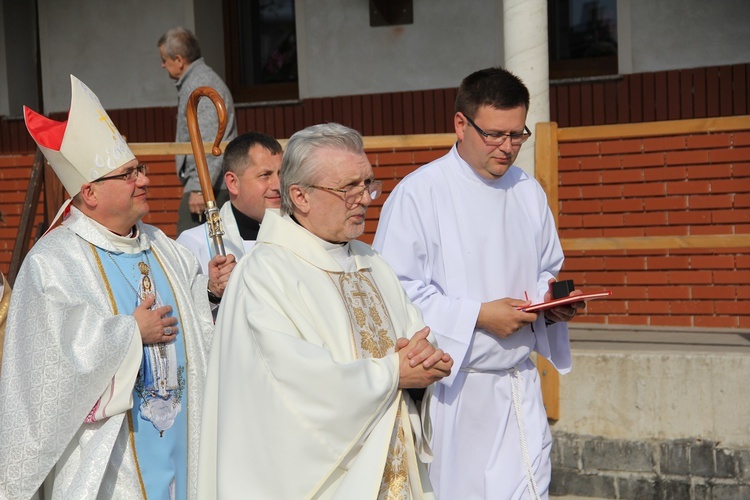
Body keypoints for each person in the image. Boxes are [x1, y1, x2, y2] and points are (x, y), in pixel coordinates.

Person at [0, 75, 235, 499]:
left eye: (140, 169)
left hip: (182, 441)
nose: (144, 180)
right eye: (128, 174)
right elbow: (49, 372)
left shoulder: (164, 247)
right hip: (110, 459)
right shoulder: (53, 264)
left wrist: (212, 294)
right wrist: (130, 334)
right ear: (89, 192)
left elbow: (195, 328)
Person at [197, 123, 454, 499]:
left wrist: (427, 365)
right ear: (299, 195)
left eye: (367, 184)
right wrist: (394, 372)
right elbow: (295, 386)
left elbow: (415, 339)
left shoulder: (371, 263)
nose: (365, 198)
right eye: (348, 188)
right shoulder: (265, 273)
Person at [373, 67, 584, 499]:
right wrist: (480, 317)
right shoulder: (420, 193)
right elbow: (395, 293)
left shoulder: (528, 190)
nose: (507, 148)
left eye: (517, 134)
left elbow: (547, 267)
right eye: (494, 134)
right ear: (460, 124)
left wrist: (552, 302)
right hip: (456, 392)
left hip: (519, 383)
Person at [158, 26, 238, 236]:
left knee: (188, 249)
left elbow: (211, 140)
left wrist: (199, 188)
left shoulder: (200, 84)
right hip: (212, 184)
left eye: (164, 59)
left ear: (179, 59)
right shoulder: (198, 80)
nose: (162, 65)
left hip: (211, 186)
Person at [176, 132, 283, 273]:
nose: (278, 185)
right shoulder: (194, 244)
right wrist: (212, 291)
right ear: (233, 183)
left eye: (282, 174)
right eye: (265, 175)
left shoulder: (300, 233)